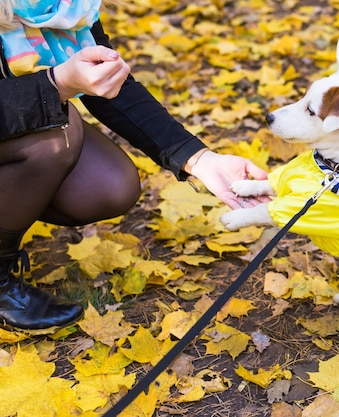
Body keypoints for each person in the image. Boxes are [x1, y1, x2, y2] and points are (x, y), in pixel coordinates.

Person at [0, 0, 268, 330]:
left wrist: (197, 158)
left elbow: (110, 81)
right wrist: (56, 85)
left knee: (108, 186)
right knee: (54, 136)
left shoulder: (62, 6)